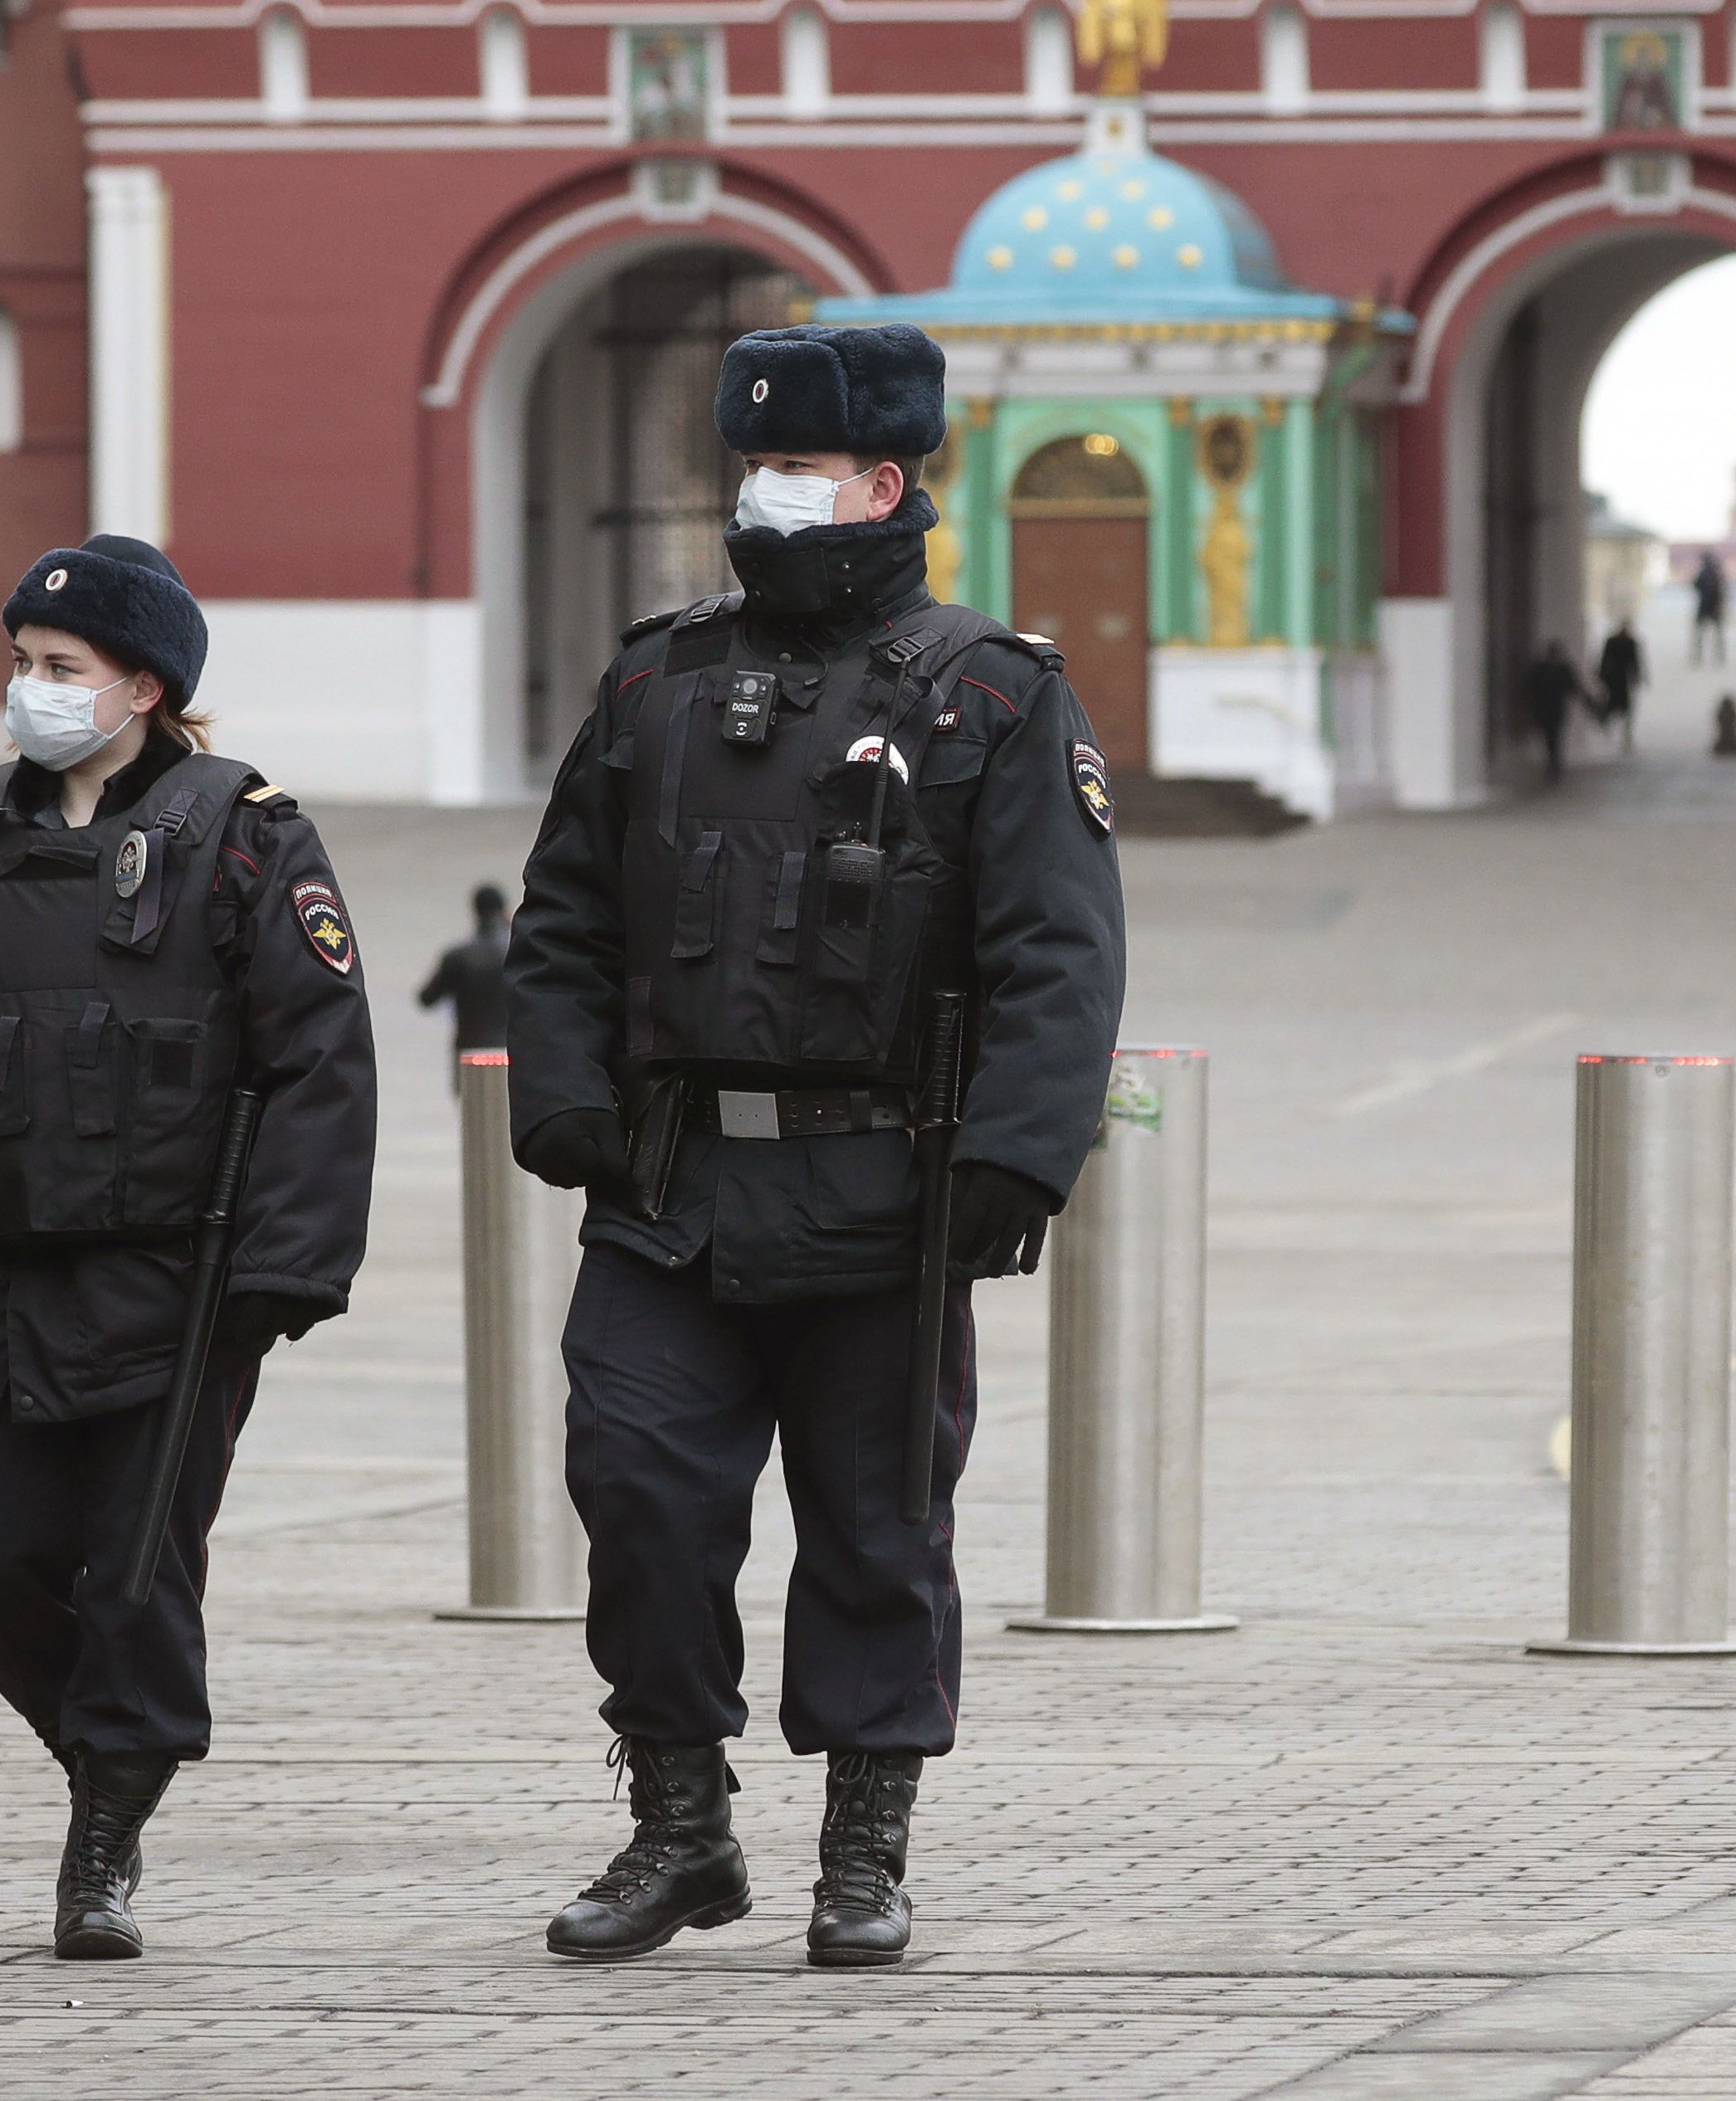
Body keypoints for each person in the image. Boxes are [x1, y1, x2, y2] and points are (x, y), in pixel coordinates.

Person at [503, 323, 1124, 1971]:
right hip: (672, 1190)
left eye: (800, 469)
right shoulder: (656, 680)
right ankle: (681, 1828)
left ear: (882, 484)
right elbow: (561, 912)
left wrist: (1016, 1156)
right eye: (751, 466)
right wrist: (558, 1096)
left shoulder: (993, 691)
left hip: (882, 1193)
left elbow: (1057, 950)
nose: (765, 495)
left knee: (874, 1526)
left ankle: (863, 1846)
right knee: (637, 1496)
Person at [0, 535, 378, 1962]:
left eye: (62, 670)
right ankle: (113, 1754)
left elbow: (320, 1058)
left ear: (144, 686)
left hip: (174, 1288)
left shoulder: (247, 836)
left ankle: (104, 1833)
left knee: (130, 1572)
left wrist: (291, 1261)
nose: (31, 690)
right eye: (22, 664)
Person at [418, 883, 514, 1084]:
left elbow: (426, 999)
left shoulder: (458, 956)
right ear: (505, 912)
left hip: (471, 1052)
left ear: (476, 913)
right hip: (512, 1050)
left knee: (474, 1110)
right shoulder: (518, 954)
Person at [1523, 636, 1592, 784]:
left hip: (1557, 710)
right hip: (1544, 710)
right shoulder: (1540, 669)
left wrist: (1589, 704)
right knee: (1550, 737)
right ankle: (1553, 763)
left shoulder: (1562, 670)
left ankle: (1554, 764)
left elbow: (1576, 688)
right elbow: (1528, 688)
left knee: (1555, 736)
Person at [1592, 618, 1644, 753]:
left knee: (1626, 709)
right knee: (1613, 705)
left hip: (1624, 680)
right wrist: (1602, 676)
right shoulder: (1612, 642)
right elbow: (1605, 660)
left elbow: (1636, 662)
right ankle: (1606, 720)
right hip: (1613, 680)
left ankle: (1626, 736)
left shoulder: (1631, 643)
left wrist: (1637, 677)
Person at [1690, 550, 1729, 665]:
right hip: (1715, 607)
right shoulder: (1717, 573)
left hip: (1705, 606)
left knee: (1701, 634)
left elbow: (1695, 585)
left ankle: (1698, 657)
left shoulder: (1703, 573)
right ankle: (1720, 657)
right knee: (1717, 635)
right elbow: (1722, 590)